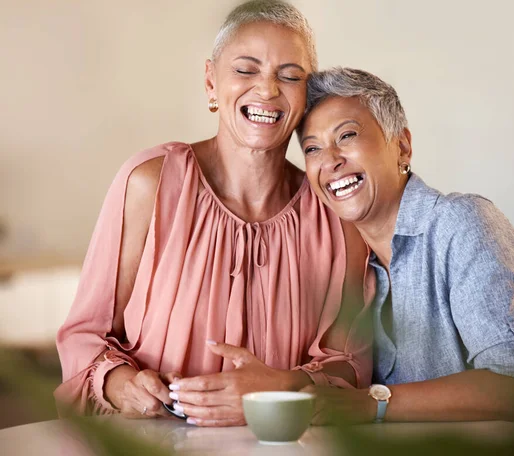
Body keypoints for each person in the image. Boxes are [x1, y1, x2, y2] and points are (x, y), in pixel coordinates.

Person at [55, 2, 371, 427]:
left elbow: (349, 364)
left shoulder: (335, 218)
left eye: (290, 76)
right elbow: (85, 335)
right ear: (210, 82)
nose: (266, 89)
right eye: (246, 70)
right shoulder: (150, 183)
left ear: (306, 96)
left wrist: (279, 387)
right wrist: (119, 383)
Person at [298, 67, 514, 423]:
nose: (329, 160)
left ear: (402, 146)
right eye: (312, 148)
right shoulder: (354, 270)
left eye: (347, 135)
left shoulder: (462, 222)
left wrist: (372, 403)